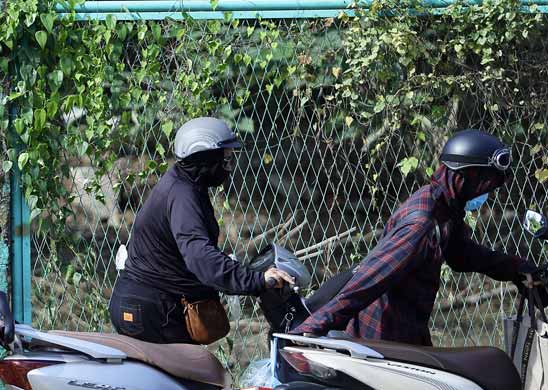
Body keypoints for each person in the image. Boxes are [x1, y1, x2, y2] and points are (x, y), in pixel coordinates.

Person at [294, 129, 539, 345]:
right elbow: (372, 277)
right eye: (486, 185)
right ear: (464, 177)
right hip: (383, 340)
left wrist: (517, 268)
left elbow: (461, 254)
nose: (487, 194)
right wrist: (316, 324)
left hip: (407, 331)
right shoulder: (421, 224)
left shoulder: (443, 208)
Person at [109, 117, 295, 344]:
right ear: (204, 157)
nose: (228, 165)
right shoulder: (183, 194)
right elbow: (199, 256)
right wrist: (256, 281)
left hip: (148, 304)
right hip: (154, 309)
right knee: (198, 375)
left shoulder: (184, 185)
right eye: (224, 158)